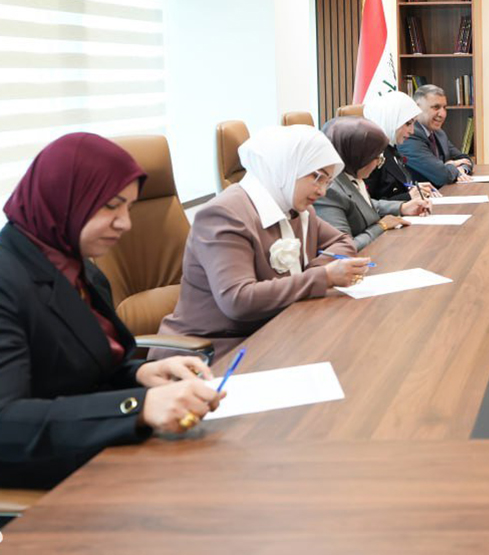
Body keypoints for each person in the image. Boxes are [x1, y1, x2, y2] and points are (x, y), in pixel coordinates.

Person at [0, 133, 223, 489]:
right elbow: (7, 422)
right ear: (62, 196)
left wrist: (141, 374)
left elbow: (85, 374)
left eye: (128, 208)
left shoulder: (82, 271)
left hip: (95, 448)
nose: (125, 223)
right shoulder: (7, 279)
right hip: (44, 474)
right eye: (110, 206)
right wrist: (139, 406)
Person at [156, 126, 368, 360]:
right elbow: (238, 300)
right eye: (317, 177)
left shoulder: (297, 210)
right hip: (215, 348)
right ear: (285, 166)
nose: (322, 191)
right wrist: (322, 277)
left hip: (276, 330)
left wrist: (314, 273)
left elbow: (342, 241)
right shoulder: (224, 214)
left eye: (328, 181)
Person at [315, 117, 433, 251]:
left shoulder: (349, 176)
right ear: (357, 156)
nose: (378, 164)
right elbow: (343, 249)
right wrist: (381, 226)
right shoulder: (329, 190)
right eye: (376, 157)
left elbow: (362, 205)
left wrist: (402, 207)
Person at [362, 90, 437, 203]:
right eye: (408, 124)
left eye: (413, 124)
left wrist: (414, 189)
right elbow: (366, 203)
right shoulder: (370, 154)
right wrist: (408, 196)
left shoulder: (391, 148)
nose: (412, 131)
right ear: (390, 120)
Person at [398, 84, 474, 188]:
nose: (442, 114)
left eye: (444, 108)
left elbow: (466, 159)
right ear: (417, 108)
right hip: (423, 196)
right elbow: (442, 176)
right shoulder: (408, 135)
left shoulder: (439, 133)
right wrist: (450, 166)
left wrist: (462, 169)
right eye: (436, 107)